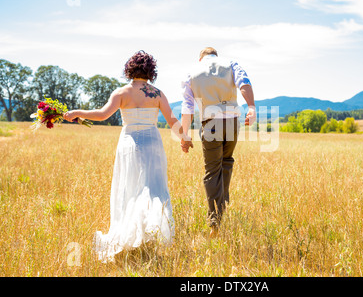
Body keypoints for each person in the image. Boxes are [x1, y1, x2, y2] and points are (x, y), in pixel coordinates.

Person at [64, 50, 193, 262]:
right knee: (153, 187)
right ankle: (149, 233)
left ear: (129, 69)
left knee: (130, 188)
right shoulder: (157, 94)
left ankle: (132, 236)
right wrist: (185, 139)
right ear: (151, 71)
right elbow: (172, 121)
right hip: (152, 142)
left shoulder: (121, 92)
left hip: (129, 143)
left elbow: (103, 114)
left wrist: (78, 112)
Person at [180, 47, 256, 238]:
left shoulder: (191, 73)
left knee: (212, 171)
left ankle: (215, 223)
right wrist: (252, 107)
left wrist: (185, 134)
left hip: (211, 123)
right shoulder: (231, 64)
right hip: (232, 122)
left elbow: (187, 106)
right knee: (227, 162)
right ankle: (223, 206)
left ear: (200, 59)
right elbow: (244, 83)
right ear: (216, 56)